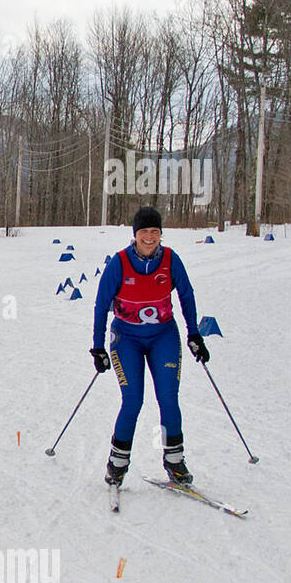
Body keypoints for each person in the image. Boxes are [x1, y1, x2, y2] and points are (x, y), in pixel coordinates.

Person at [91, 205, 208, 486]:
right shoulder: (119, 262)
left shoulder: (170, 259)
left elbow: (186, 295)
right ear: (135, 234)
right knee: (133, 401)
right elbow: (100, 306)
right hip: (126, 339)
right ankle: (117, 464)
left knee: (168, 399)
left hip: (163, 336)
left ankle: (175, 462)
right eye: (144, 231)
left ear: (160, 234)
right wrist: (97, 347)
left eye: (155, 231)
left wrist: (194, 334)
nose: (150, 237)